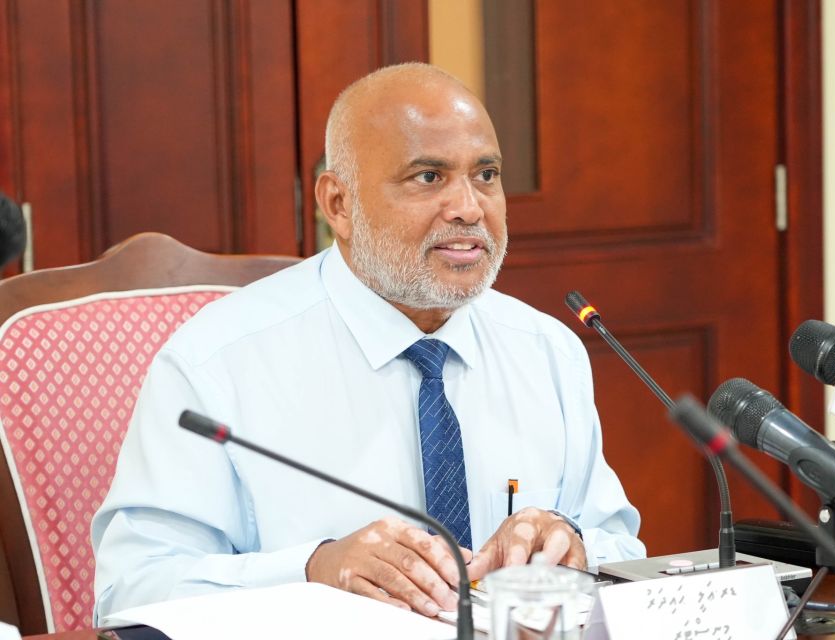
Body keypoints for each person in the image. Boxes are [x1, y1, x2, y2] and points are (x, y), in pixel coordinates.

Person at [91, 63, 645, 623]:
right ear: (339, 204)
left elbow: (621, 548)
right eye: (428, 177)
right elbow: (133, 592)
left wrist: (569, 544)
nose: (469, 208)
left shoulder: (546, 350)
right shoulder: (217, 362)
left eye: (486, 174)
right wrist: (313, 570)